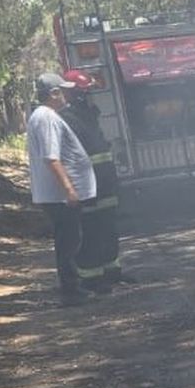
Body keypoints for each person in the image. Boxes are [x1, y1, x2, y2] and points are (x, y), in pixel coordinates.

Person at [26, 72, 98, 306]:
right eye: (64, 90)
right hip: (59, 196)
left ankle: (72, 286)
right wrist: (69, 189)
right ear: (54, 93)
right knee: (69, 241)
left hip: (56, 195)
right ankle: (71, 290)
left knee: (68, 238)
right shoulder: (46, 117)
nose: (68, 94)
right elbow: (51, 158)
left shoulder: (43, 115)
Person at [61, 69, 134, 289]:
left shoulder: (90, 113)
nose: (88, 95)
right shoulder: (66, 118)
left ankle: (112, 271)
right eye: (84, 91)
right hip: (86, 183)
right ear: (72, 93)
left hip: (105, 181)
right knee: (92, 230)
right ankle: (92, 279)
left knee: (109, 227)